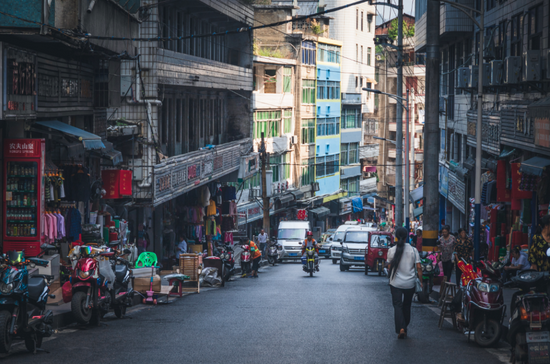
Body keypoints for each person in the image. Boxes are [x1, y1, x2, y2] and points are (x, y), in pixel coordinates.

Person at [387, 227, 422, 339]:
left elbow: (389, 267)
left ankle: (401, 328)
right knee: (407, 305)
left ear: (396, 237)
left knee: (397, 305)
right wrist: (420, 281)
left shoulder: (392, 250)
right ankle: (404, 327)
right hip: (410, 283)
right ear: (407, 237)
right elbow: (419, 267)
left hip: (395, 283)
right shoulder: (413, 250)